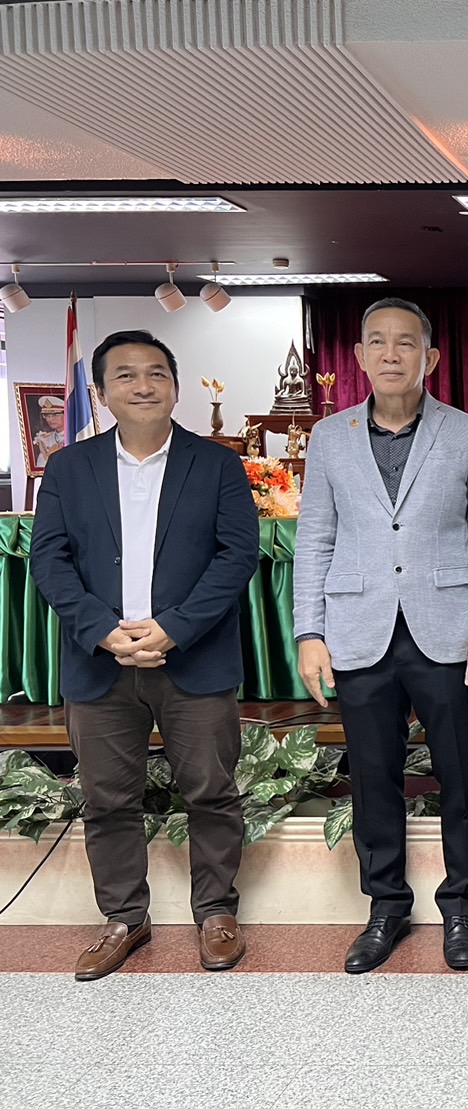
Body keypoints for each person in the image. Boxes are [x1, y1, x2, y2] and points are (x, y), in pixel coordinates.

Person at [30, 330, 259, 980]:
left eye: (156, 373)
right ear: (102, 393)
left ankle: (216, 912)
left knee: (211, 791)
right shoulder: (69, 468)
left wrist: (174, 629)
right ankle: (124, 918)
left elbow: (237, 555)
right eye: (125, 375)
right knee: (107, 800)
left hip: (193, 659)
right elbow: (49, 559)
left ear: (175, 387)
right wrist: (102, 629)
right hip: (98, 663)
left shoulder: (216, 465)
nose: (143, 385)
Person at [293, 298, 468, 974]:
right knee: (373, 776)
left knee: (460, 773)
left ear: (430, 357)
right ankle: (386, 905)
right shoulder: (329, 437)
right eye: (378, 342)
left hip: (447, 629)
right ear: (359, 356)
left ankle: (461, 907)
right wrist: (309, 631)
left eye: (406, 342)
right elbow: (314, 539)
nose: (392, 353)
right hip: (358, 628)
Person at [32, 394, 66, 466]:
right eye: (47, 415)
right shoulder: (45, 440)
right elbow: (40, 465)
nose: (50, 419)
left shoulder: (77, 436)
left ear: (66, 414)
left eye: (55, 415)